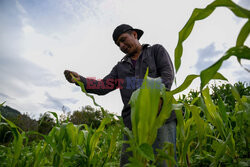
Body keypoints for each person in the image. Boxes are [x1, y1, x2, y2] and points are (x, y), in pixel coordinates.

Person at [64, 24, 176, 166]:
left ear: (134, 35)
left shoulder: (155, 51)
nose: (122, 46)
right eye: (118, 44)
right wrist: (81, 80)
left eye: (123, 40)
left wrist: (158, 98)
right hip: (132, 123)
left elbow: (167, 75)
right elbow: (104, 85)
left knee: (164, 162)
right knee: (129, 163)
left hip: (161, 118)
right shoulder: (120, 68)